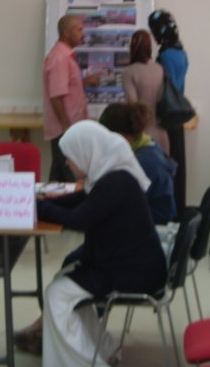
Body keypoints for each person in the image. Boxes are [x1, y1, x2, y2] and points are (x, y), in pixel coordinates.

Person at [35, 120, 167, 366]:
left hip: (132, 273)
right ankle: (102, 349)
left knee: (56, 294)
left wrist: (38, 207)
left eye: (70, 157)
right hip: (130, 266)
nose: (67, 163)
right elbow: (79, 200)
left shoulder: (114, 183)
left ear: (87, 152)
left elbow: (77, 219)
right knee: (64, 281)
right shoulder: (111, 177)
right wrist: (42, 203)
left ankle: (87, 361)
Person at [99, 102, 177, 225]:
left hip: (154, 223)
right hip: (152, 217)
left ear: (120, 135)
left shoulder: (144, 161)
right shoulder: (147, 144)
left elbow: (126, 204)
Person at [43, 14, 99, 182]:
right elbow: (56, 96)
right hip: (65, 130)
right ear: (67, 33)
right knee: (69, 177)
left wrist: (83, 82)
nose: (83, 34)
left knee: (59, 177)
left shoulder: (65, 56)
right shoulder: (60, 58)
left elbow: (64, 87)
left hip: (69, 129)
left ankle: (50, 198)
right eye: (79, 30)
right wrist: (67, 128)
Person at [149, 9, 190, 216]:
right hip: (177, 115)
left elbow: (167, 87)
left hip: (167, 116)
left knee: (168, 165)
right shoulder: (181, 52)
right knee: (178, 163)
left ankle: (171, 212)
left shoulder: (165, 56)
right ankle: (179, 208)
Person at [121, 29, 170, 154]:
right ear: (150, 48)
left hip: (141, 134)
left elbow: (133, 105)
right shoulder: (160, 68)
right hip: (161, 132)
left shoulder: (128, 72)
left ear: (132, 48)